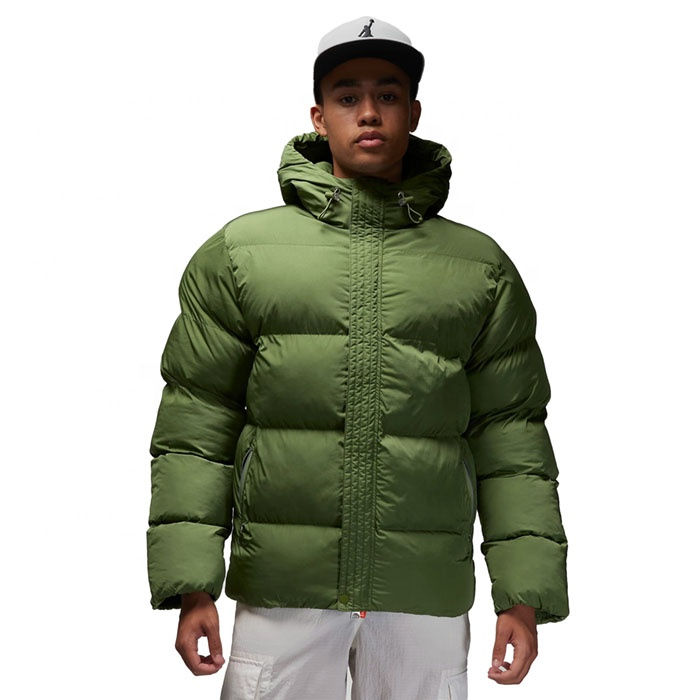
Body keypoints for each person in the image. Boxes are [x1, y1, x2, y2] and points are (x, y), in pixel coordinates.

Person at [145, 15, 570, 699]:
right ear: (319, 116)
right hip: (284, 588)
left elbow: (512, 440)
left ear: (414, 113)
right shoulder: (240, 256)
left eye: (388, 95)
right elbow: (195, 428)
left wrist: (523, 595)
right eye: (348, 96)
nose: (369, 112)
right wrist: (194, 584)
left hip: (422, 593)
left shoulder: (479, 268)